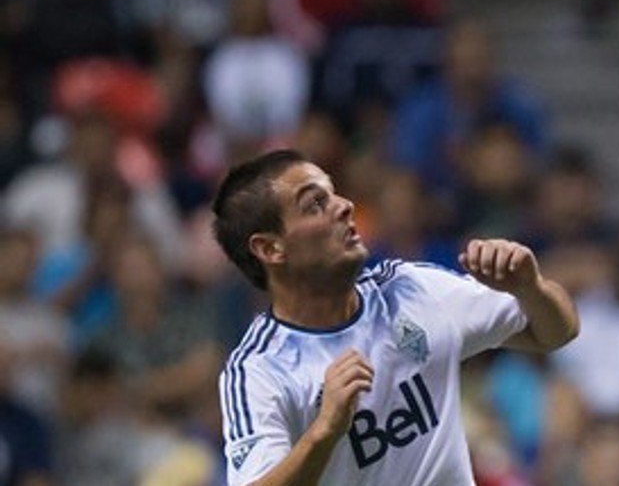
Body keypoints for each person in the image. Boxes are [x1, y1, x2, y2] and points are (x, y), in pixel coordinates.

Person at [210, 149, 579, 486]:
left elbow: (557, 332)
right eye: (315, 204)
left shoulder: (411, 289)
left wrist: (530, 288)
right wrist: (324, 431)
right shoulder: (260, 370)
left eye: (334, 193)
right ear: (270, 248)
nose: (344, 206)